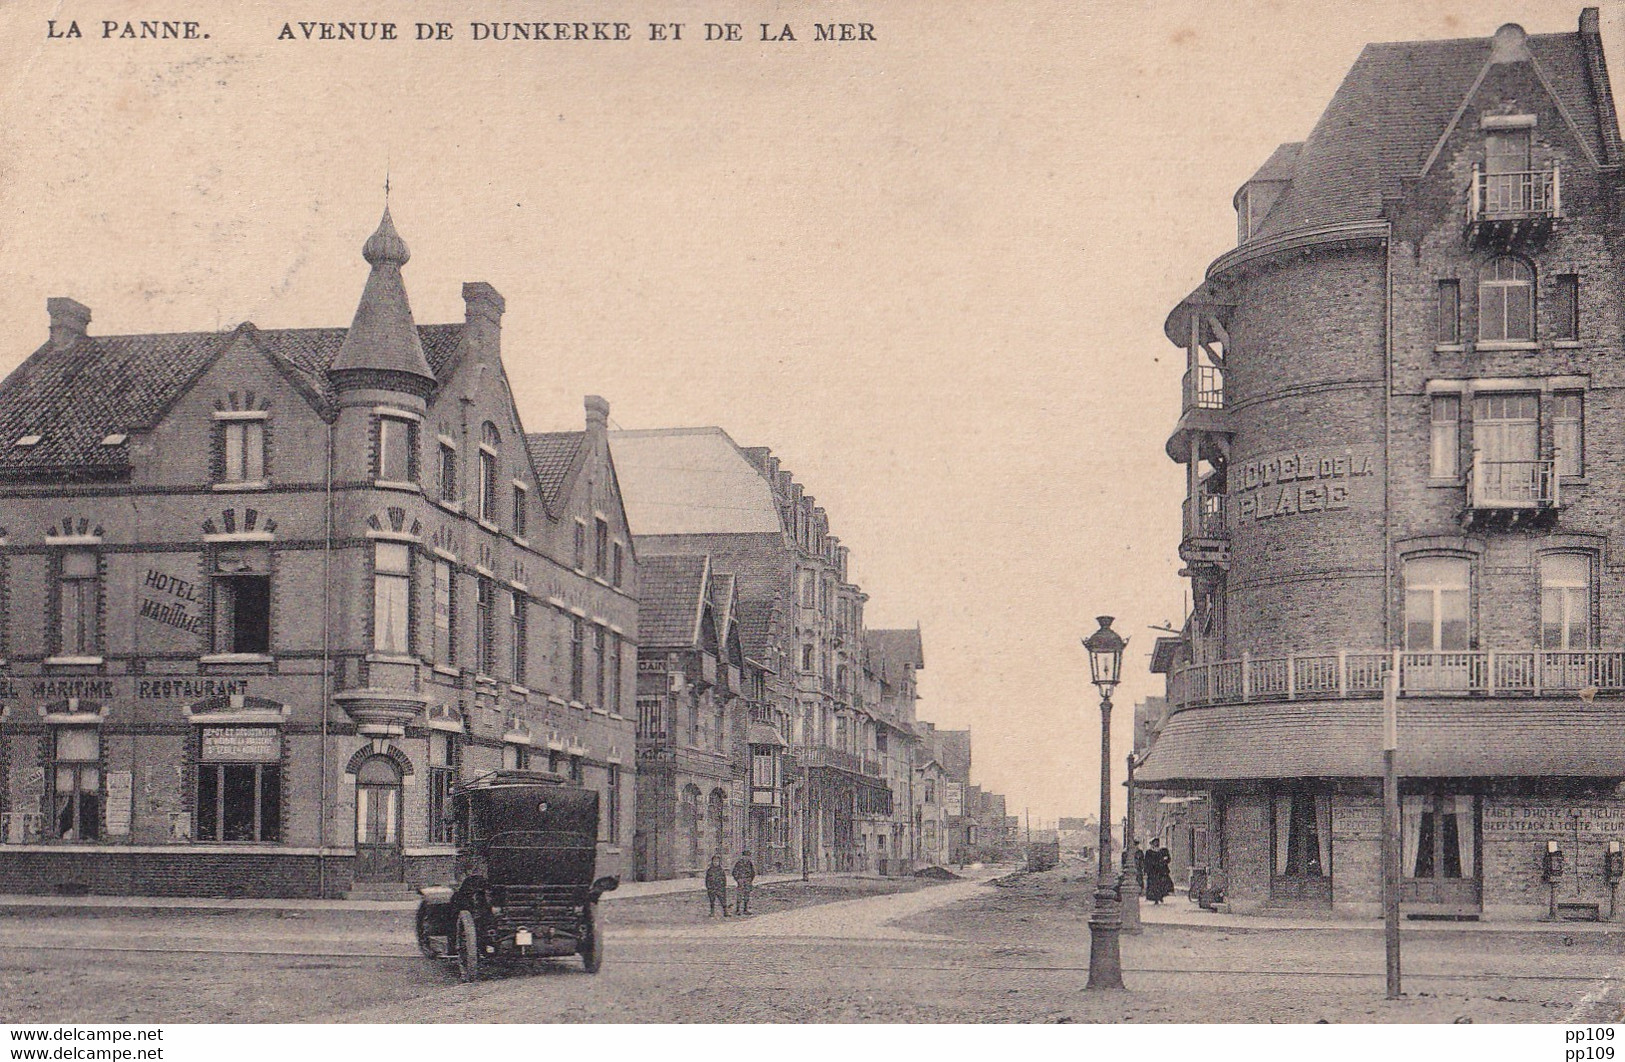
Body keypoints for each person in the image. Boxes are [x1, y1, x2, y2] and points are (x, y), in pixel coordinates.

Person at [1144, 838, 1175, 904]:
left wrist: (1164, 861)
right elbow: (1146, 862)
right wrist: (1147, 870)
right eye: (1154, 842)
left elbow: (1168, 859)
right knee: (1154, 885)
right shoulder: (1149, 852)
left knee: (1161, 884)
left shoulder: (1163, 851)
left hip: (1161, 871)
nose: (1156, 843)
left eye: (1157, 842)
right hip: (1153, 872)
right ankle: (1155, 898)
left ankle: (1161, 897)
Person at [732, 849, 757, 915]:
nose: (747, 858)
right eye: (745, 856)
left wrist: (750, 879)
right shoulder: (739, 863)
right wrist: (738, 879)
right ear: (743, 856)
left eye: (748, 856)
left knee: (747, 896)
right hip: (741, 881)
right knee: (739, 896)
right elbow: (734, 872)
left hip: (748, 881)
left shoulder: (749, 863)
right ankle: (737, 910)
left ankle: (745, 910)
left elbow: (753, 872)